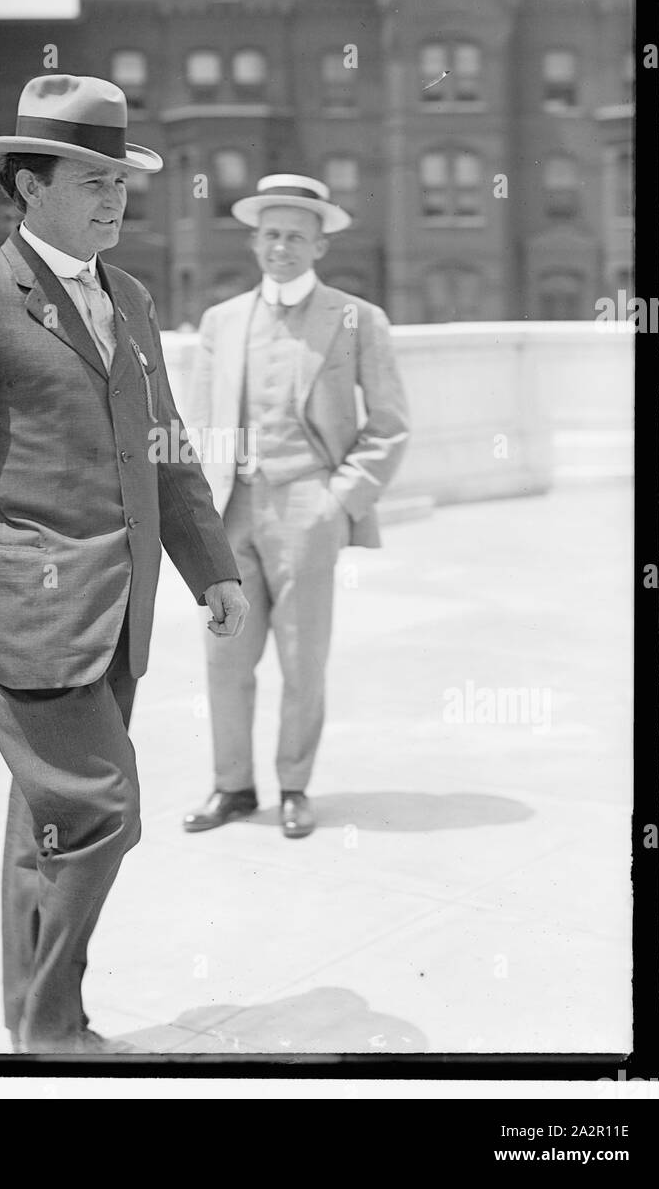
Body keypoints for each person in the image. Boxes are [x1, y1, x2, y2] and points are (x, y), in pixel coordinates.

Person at [0, 74, 247, 1056]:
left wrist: (211, 567)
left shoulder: (128, 295)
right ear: (27, 185)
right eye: (90, 178)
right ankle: (51, 1032)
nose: (113, 196)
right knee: (101, 812)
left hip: (118, 616)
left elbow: (163, 446)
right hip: (26, 620)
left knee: (46, 828)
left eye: (119, 177)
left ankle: (32, 1021)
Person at [183, 175, 408, 840]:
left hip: (309, 502)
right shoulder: (221, 323)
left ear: (319, 245)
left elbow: (390, 423)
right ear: (255, 241)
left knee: (301, 656)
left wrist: (339, 500)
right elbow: (200, 424)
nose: (281, 247)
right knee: (223, 656)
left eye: (295, 237)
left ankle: (293, 786)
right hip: (231, 508)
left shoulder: (355, 319)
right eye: (270, 235)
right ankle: (231, 785)